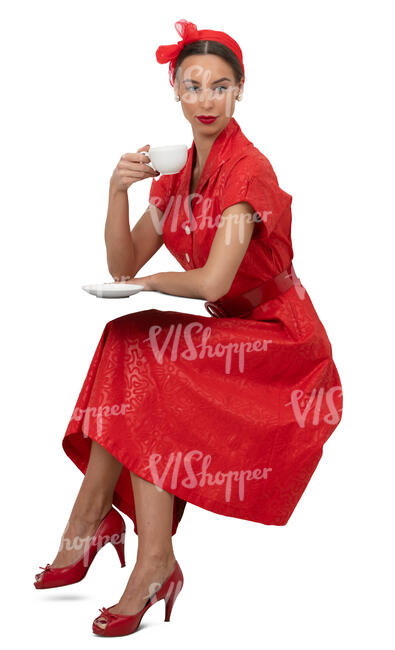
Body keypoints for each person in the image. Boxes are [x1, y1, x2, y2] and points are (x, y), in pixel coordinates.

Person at [34, 19, 343, 637]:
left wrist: (148, 288)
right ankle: (104, 523)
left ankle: (143, 553)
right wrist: (117, 192)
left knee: (149, 353)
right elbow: (123, 264)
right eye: (194, 86)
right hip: (235, 333)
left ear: (239, 92)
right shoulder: (176, 173)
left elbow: (211, 283)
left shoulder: (247, 173)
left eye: (220, 87)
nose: (207, 100)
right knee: (127, 340)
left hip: (283, 342)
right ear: (175, 90)